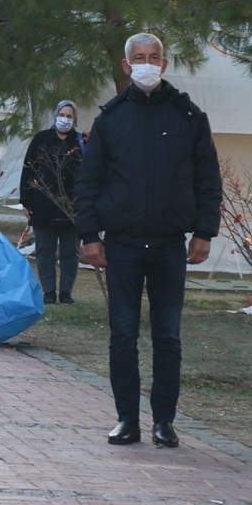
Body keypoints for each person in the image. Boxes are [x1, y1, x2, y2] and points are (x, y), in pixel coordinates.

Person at [73, 32, 222, 449]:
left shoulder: (189, 116)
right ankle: (126, 419)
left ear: (165, 62)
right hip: (120, 244)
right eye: (138, 57)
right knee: (122, 334)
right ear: (126, 65)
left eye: (153, 57)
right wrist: (89, 235)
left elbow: (208, 179)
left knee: (167, 336)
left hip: (169, 244)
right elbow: (88, 183)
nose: (146, 63)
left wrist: (205, 232)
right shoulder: (110, 120)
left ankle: (164, 422)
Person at [20, 100, 84, 305]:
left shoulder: (80, 142)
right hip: (43, 205)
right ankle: (48, 291)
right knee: (45, 251)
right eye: (62, 114)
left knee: (70, 253)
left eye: (69, 116)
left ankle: (66, 292)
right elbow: (28, 170)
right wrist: (26, 201)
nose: (64, 119)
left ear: (74, 119)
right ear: (55, 115)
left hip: (72, 207)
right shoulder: (41, 139)